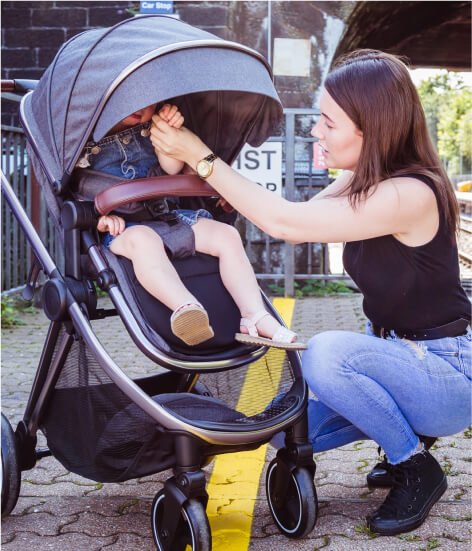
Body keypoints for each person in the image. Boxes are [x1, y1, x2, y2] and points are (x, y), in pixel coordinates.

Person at [149, 49, 471, 535]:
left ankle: (414, 466)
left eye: (328, 122)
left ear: (372, 126)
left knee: (326, 354)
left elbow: (287, 223)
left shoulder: (409, 193)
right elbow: (282, 217)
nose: (317, 131)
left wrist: (201, 154)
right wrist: (185, 163)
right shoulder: (362, 181)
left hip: (444, 374)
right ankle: (403, 432)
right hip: (397, 361)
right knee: (285, 433)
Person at [77, 102, 305, 349]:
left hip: (165, 214)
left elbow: (171, 169)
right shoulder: (84, 140)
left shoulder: (151, 127)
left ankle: (254, 315)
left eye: (147, 100)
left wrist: (168, 132)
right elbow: (77, 188)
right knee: (144, 241)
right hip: (123, 228)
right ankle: (186, 308)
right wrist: (99, 218)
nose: (139, 106)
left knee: (226, 235)